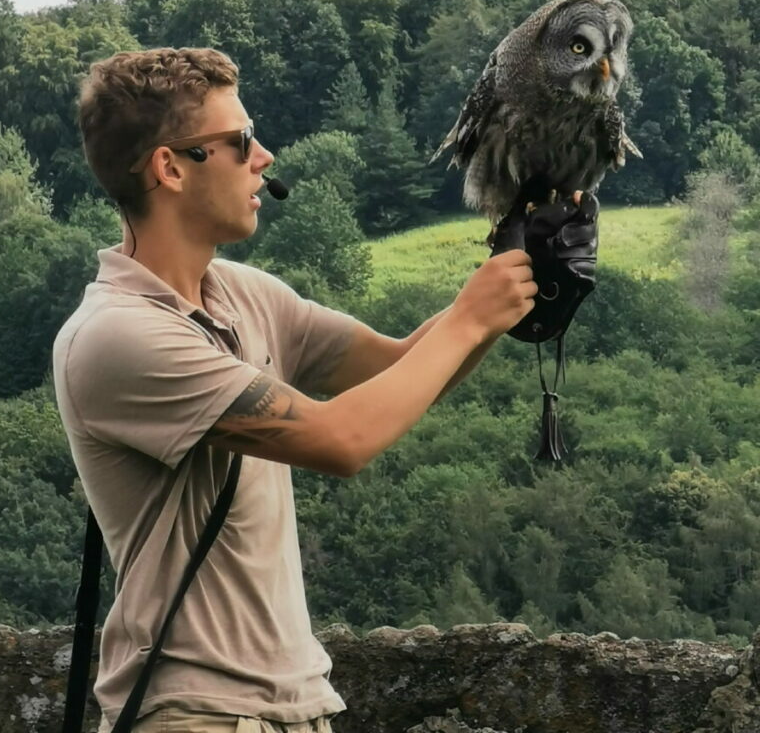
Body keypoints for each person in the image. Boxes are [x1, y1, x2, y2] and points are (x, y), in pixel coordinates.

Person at [53, 47, 538, 733]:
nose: (265, 157)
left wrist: (517, 266)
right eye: (240, 141)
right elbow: (341, 440)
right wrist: (470, 317)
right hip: (194, 712)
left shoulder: (246, 296)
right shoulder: (119, 337)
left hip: (297, 705)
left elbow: (401, 367)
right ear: (170, 167)